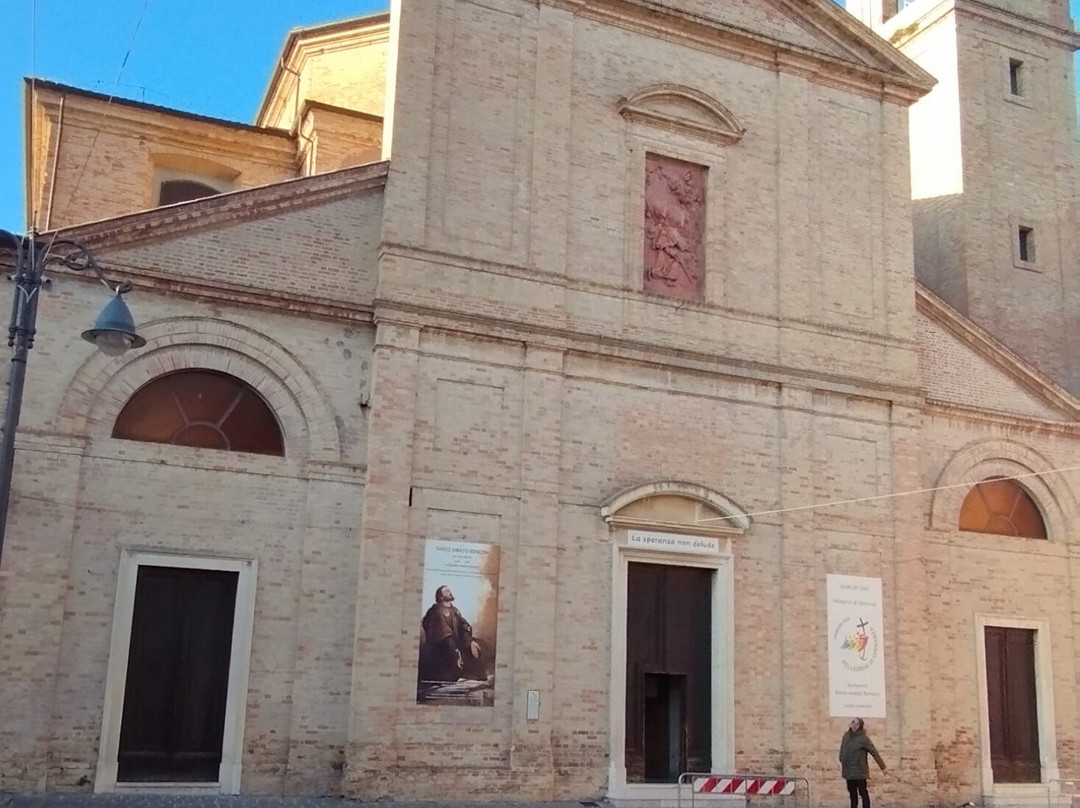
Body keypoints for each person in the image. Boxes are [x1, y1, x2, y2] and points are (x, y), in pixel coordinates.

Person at [418, 585, 481, 682]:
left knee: (479, 644)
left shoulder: (454, 611)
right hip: (441, 647)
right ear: (440, 597)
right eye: (446, 591)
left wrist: (470, 642)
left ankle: (475, 674)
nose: (449, 592)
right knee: (452, 655)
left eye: (449, 590)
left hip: (455, 643)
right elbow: (445, 634)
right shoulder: (437, 612)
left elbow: (464, 626)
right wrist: (455, 651)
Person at [839, 718, 887, 808]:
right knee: (852, 794)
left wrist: (883, 767)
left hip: (859, 771)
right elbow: (843, 749)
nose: (854, 725)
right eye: (853, 722)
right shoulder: (846, 736)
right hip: (848, 771)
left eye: (857, 724)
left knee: (862, 792)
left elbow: (874, 752)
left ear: (860, 726)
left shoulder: (863, 738)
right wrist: (841, 758)